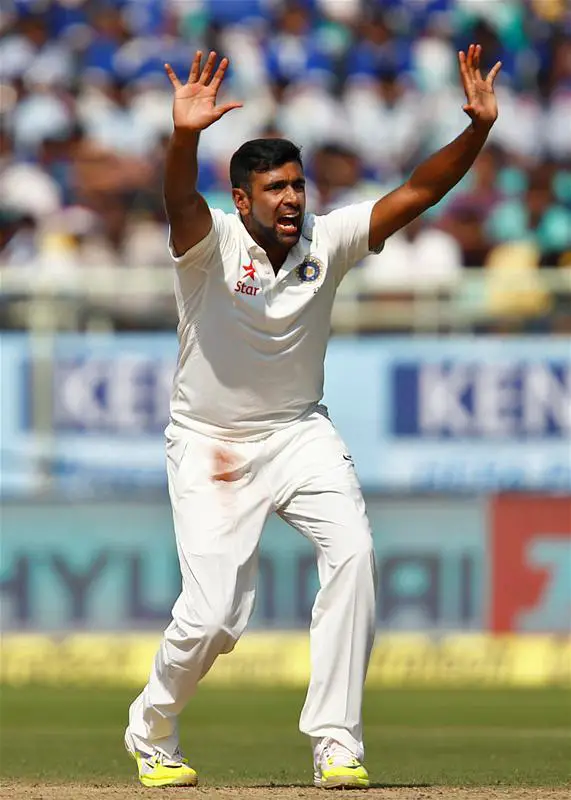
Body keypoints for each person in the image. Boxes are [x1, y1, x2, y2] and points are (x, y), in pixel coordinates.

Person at [124, 45, 501, 790]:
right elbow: (178, 200)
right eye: (275, 188)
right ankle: (152, 728)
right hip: (211, 445)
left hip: (300, 431)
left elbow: (419, 190)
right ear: (242, 201)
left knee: (355, 555)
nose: (292, 199)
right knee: (213, 619)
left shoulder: (327, 239)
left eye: (297, 184)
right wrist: (184, 138)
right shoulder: (209, 245)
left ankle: (336, 741)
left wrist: (478, 130)